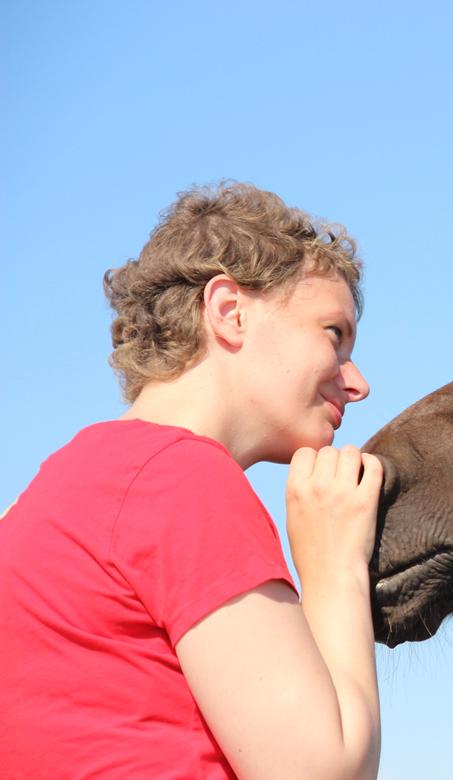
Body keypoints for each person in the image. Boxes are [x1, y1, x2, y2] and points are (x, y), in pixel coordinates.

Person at [0, 183, 383, 779]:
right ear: (230, 312)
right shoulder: (178, 478)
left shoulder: (52, 494)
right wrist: (335, 568)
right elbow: (318, 772)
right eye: (334, 334)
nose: (356, 382)